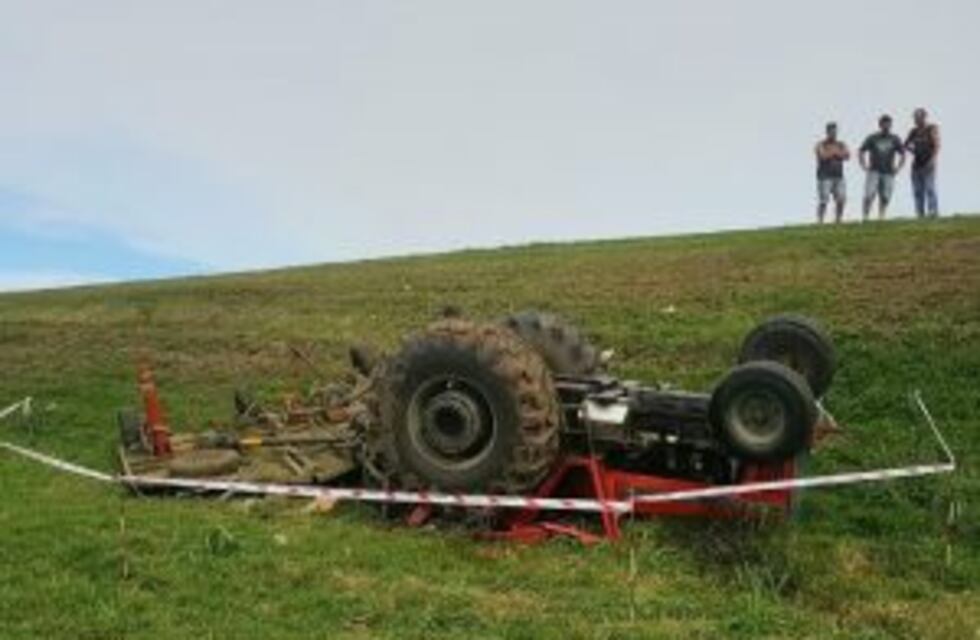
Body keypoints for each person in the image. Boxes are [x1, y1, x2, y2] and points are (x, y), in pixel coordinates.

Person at [859, 114, 906, 221]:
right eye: (884, 123)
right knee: (869, 194)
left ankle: (881, 216)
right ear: (880, 125)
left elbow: (903, 153)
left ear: (891, 125)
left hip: (889, 171)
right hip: (874, 170)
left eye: (888, 123)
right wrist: (864, 165)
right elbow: (861, 151)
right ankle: (865, 217)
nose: (886, 125)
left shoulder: (895, 138)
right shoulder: (872, 137)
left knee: (885, 196)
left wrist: (898, 168)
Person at [905, 108, 941, 218]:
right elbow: (905, 144)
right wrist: (914, 151)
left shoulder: (932, 128)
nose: (916, 119)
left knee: (930, 188)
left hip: (928, 163)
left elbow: (937, 145)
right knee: (917, 191)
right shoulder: (913, 131)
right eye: (915, 117)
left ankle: (933, 212)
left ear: (924, 117)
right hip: (916, 165)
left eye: (919, 117)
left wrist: (933, 159)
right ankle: (920, 214)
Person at [814, 122, 850, 223]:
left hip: (839, 176)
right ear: (827, 132)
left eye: (834, 131)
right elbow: (822, 156)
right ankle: (820, 221)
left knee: (841, 199)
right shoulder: (821, 144)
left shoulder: (841, 144)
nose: (833, 133)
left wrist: (834, 153)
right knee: (824, 200)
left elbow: (847, 155)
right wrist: (836, 153)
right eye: (831, 131)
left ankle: (838, 220)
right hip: (824, 176)